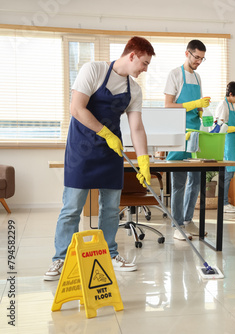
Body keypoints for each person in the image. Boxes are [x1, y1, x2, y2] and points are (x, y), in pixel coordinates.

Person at [44, 36, 155, 281]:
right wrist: (104, 132)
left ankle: (108, 254)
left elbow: (136, 127)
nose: (145, 69)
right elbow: (76, 108)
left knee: (110, 209)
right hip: (81, 149)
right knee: (72, 207)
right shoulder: (93, 70)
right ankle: (60, 259)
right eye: (145, 63)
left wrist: (144, 160)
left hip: (111, 151)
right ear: (132, 55)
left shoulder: (133, 89)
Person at [164, 39, 210, 241]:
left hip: (195, 132)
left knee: (196, 180)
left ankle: (188, 221)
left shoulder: (198, 78)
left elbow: (197, 108)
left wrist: (203, 111)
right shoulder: (174, 74)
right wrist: (193, 103)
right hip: (178, 133)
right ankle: (177, 225)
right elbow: (168, 106)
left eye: (202, 58)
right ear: (187, 53)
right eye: (196, 57)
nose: (198, 61)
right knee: (179, 182)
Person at [213, 81, 235, 213]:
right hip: (227, 143)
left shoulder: (231, 105)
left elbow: (230, 125)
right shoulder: (223, 105)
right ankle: (223, 203)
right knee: (226, 174)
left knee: (230, 173)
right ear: (231, 94)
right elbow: (220, 127)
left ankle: (225, 202)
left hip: (233, 141)